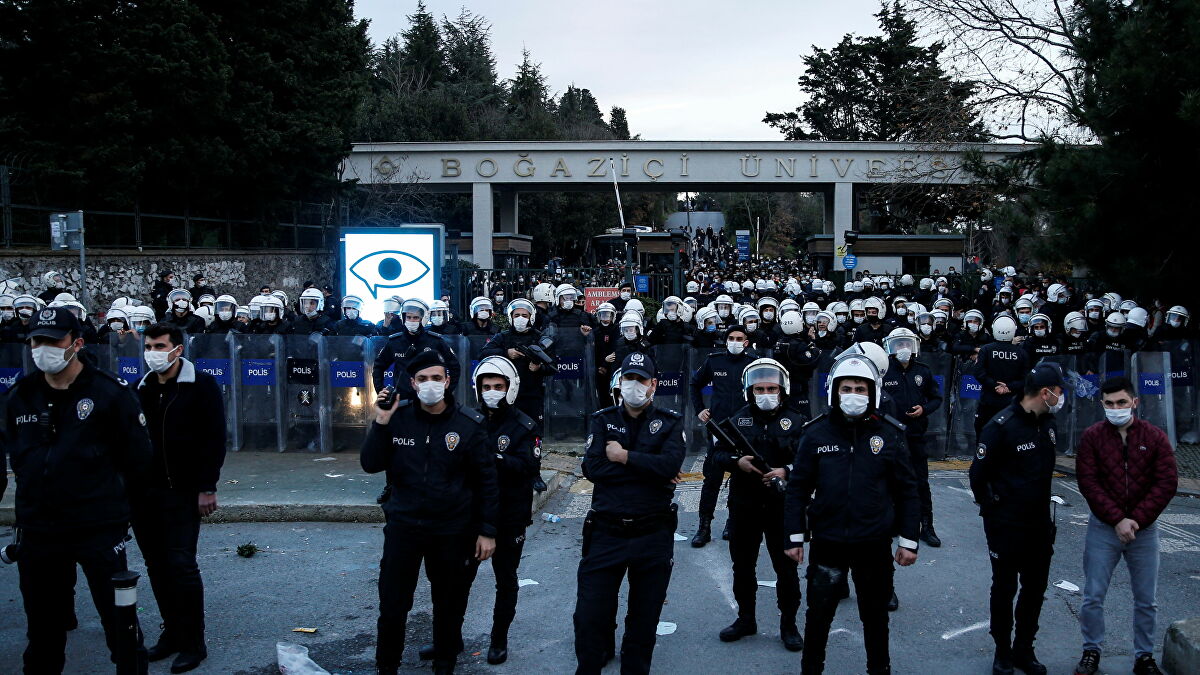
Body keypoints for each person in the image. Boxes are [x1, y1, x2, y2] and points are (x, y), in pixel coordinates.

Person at [3, 306, 153, 672]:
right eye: (36, 341)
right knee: (42, 630)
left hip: (98, 528)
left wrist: (120, 511)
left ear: (77, 343)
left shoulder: (109, 393)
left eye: (53, 341)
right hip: (39, 531)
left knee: (120, 624)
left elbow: (138, 459)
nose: (43, 349)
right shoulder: (20, 396)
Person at [360, 350, 499, 675]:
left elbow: (487, 481)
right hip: (404, 527)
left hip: (452, 530)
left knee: (448, 608)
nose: (431, 384)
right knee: (393, 607)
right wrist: (381, 419)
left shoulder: (468, 424)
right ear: (412, 383)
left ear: (448, 381)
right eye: (423, 379)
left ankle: (444, 666)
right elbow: (370, 463)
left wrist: (487, 530)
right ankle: (387, 667)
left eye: (437, 378)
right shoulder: (397, 416)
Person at [784, 353, 919, 675]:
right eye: (847, 388)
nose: (854, 394)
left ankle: (879, 669)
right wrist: (794, 536)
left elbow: (907, 490)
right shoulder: (815, 433)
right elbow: (797, 488)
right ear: (834, 391)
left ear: (872, 392)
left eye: (861, 388)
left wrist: (909, 540)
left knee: (875, 617)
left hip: (873, 542)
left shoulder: (889, 433)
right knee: (818, 616)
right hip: (828, 541)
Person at [574, 352, 685, 675]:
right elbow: (592, 468)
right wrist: (650, 469)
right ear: (619, 382)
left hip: (652, 534)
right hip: (606, 532)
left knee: (643, 619)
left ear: (654, 385)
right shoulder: (602, 419)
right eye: (628, 378)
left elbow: (671, 466)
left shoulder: (669, 421)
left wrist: (623, 457)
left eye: (641, 379)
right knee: (590, 614)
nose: (634, 385)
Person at [133, 323, 227, 672]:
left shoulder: (200, 386)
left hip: (183, 491)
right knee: (156, 567)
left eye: (159, 346)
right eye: (148, 346)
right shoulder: (140, 388)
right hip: (144, 494)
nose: (152, 353)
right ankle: (171, 633)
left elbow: (214, 439)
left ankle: (193, 642)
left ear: (177, 349)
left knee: (182, 565)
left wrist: (207, 486)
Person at [1073, 377, 1177, 675]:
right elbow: (1088, 483)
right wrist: (1117, 519)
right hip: (1104, 529)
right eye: (1109, 403)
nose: (1116, 408)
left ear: (1135, 402)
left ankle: (1144, 657)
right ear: (1101, 404)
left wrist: (1137, 520)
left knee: (1147, 600)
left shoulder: (1155, 437)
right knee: (1093, 595)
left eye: (1121, 402)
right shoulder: (1092, 437)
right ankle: (1091, 651)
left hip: (1144, 530)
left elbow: (1166, 482)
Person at [970, 362, 1068, 675]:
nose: (1060, 397)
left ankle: (1024, 649)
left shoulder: (1048, 423)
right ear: (1045, 392)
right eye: (1059, 391)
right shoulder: (1000, 426)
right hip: (1006, 526)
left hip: (1039, 524)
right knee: (1004, 587)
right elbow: (977, 476)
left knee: (1034, 588)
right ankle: (1002, 651)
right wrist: (997, 511)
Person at [713, 358, 806, 651]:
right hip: (745, 504)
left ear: (782, 390)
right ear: (749, 391)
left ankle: (789, 624)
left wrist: (786, 471)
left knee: (786, 570)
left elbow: (810, 463)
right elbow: (716, 456)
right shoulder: (738, 419)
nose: (765, 393)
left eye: (771, 388)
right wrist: (735, 461)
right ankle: (746, 618)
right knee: (742, 567)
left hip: (783, 507)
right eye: (759, 389)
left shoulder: (798, 421)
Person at [689, 324, 759, 546]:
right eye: (732, 337)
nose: (735, 341)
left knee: (740, 478)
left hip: (744, 429)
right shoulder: (714, 360)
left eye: (740, 338)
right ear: (726, 340)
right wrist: (700, 408)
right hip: (718, 429)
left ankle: (732, 522)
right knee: (712, 479)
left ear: (746, 342)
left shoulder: (753, 364)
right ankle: (704, 526)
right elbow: (694, 383)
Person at [880, 328, 945, 547]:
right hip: (891, 436)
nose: (903, 348)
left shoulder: (923, 371)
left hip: (915, 434)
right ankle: (894, 523)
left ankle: (926, 526)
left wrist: (923, 409)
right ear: (891, 347)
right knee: (890, 480)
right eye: (899, 344)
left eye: (907, 344)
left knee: (920, 482)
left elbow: (936, 398)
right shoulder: (884, 371)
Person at [479, 299, 556, 433]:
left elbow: (553, 366)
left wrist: (539, 368)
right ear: (511, 317)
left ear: (531, 318)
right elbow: (483, 353)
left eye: (524, 315)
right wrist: (505, 353)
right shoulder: (503, 336)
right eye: (517, 315)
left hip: (532, 394)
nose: (520, 318)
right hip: (506, 393)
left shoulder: (539, 338)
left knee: (532, 430)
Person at [371, 298, 459, 402]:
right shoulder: (395, 342)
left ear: (423, 318)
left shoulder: (435, 341)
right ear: (404, 318)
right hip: (402, 401)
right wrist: (381, 390)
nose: (411, 321)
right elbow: (378, 367)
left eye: (415, 317)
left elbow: (454, 366)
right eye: (409, 317)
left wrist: (446, 391)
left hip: (429, 401)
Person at [974, 316, 1030, 441]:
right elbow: (1026, 379)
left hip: (988, 401)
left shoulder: (986, 350)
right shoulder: (1021, 353)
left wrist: (994, 386)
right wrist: (1009, 387)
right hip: (1012, 402)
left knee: (984, 437)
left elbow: (978, 373)